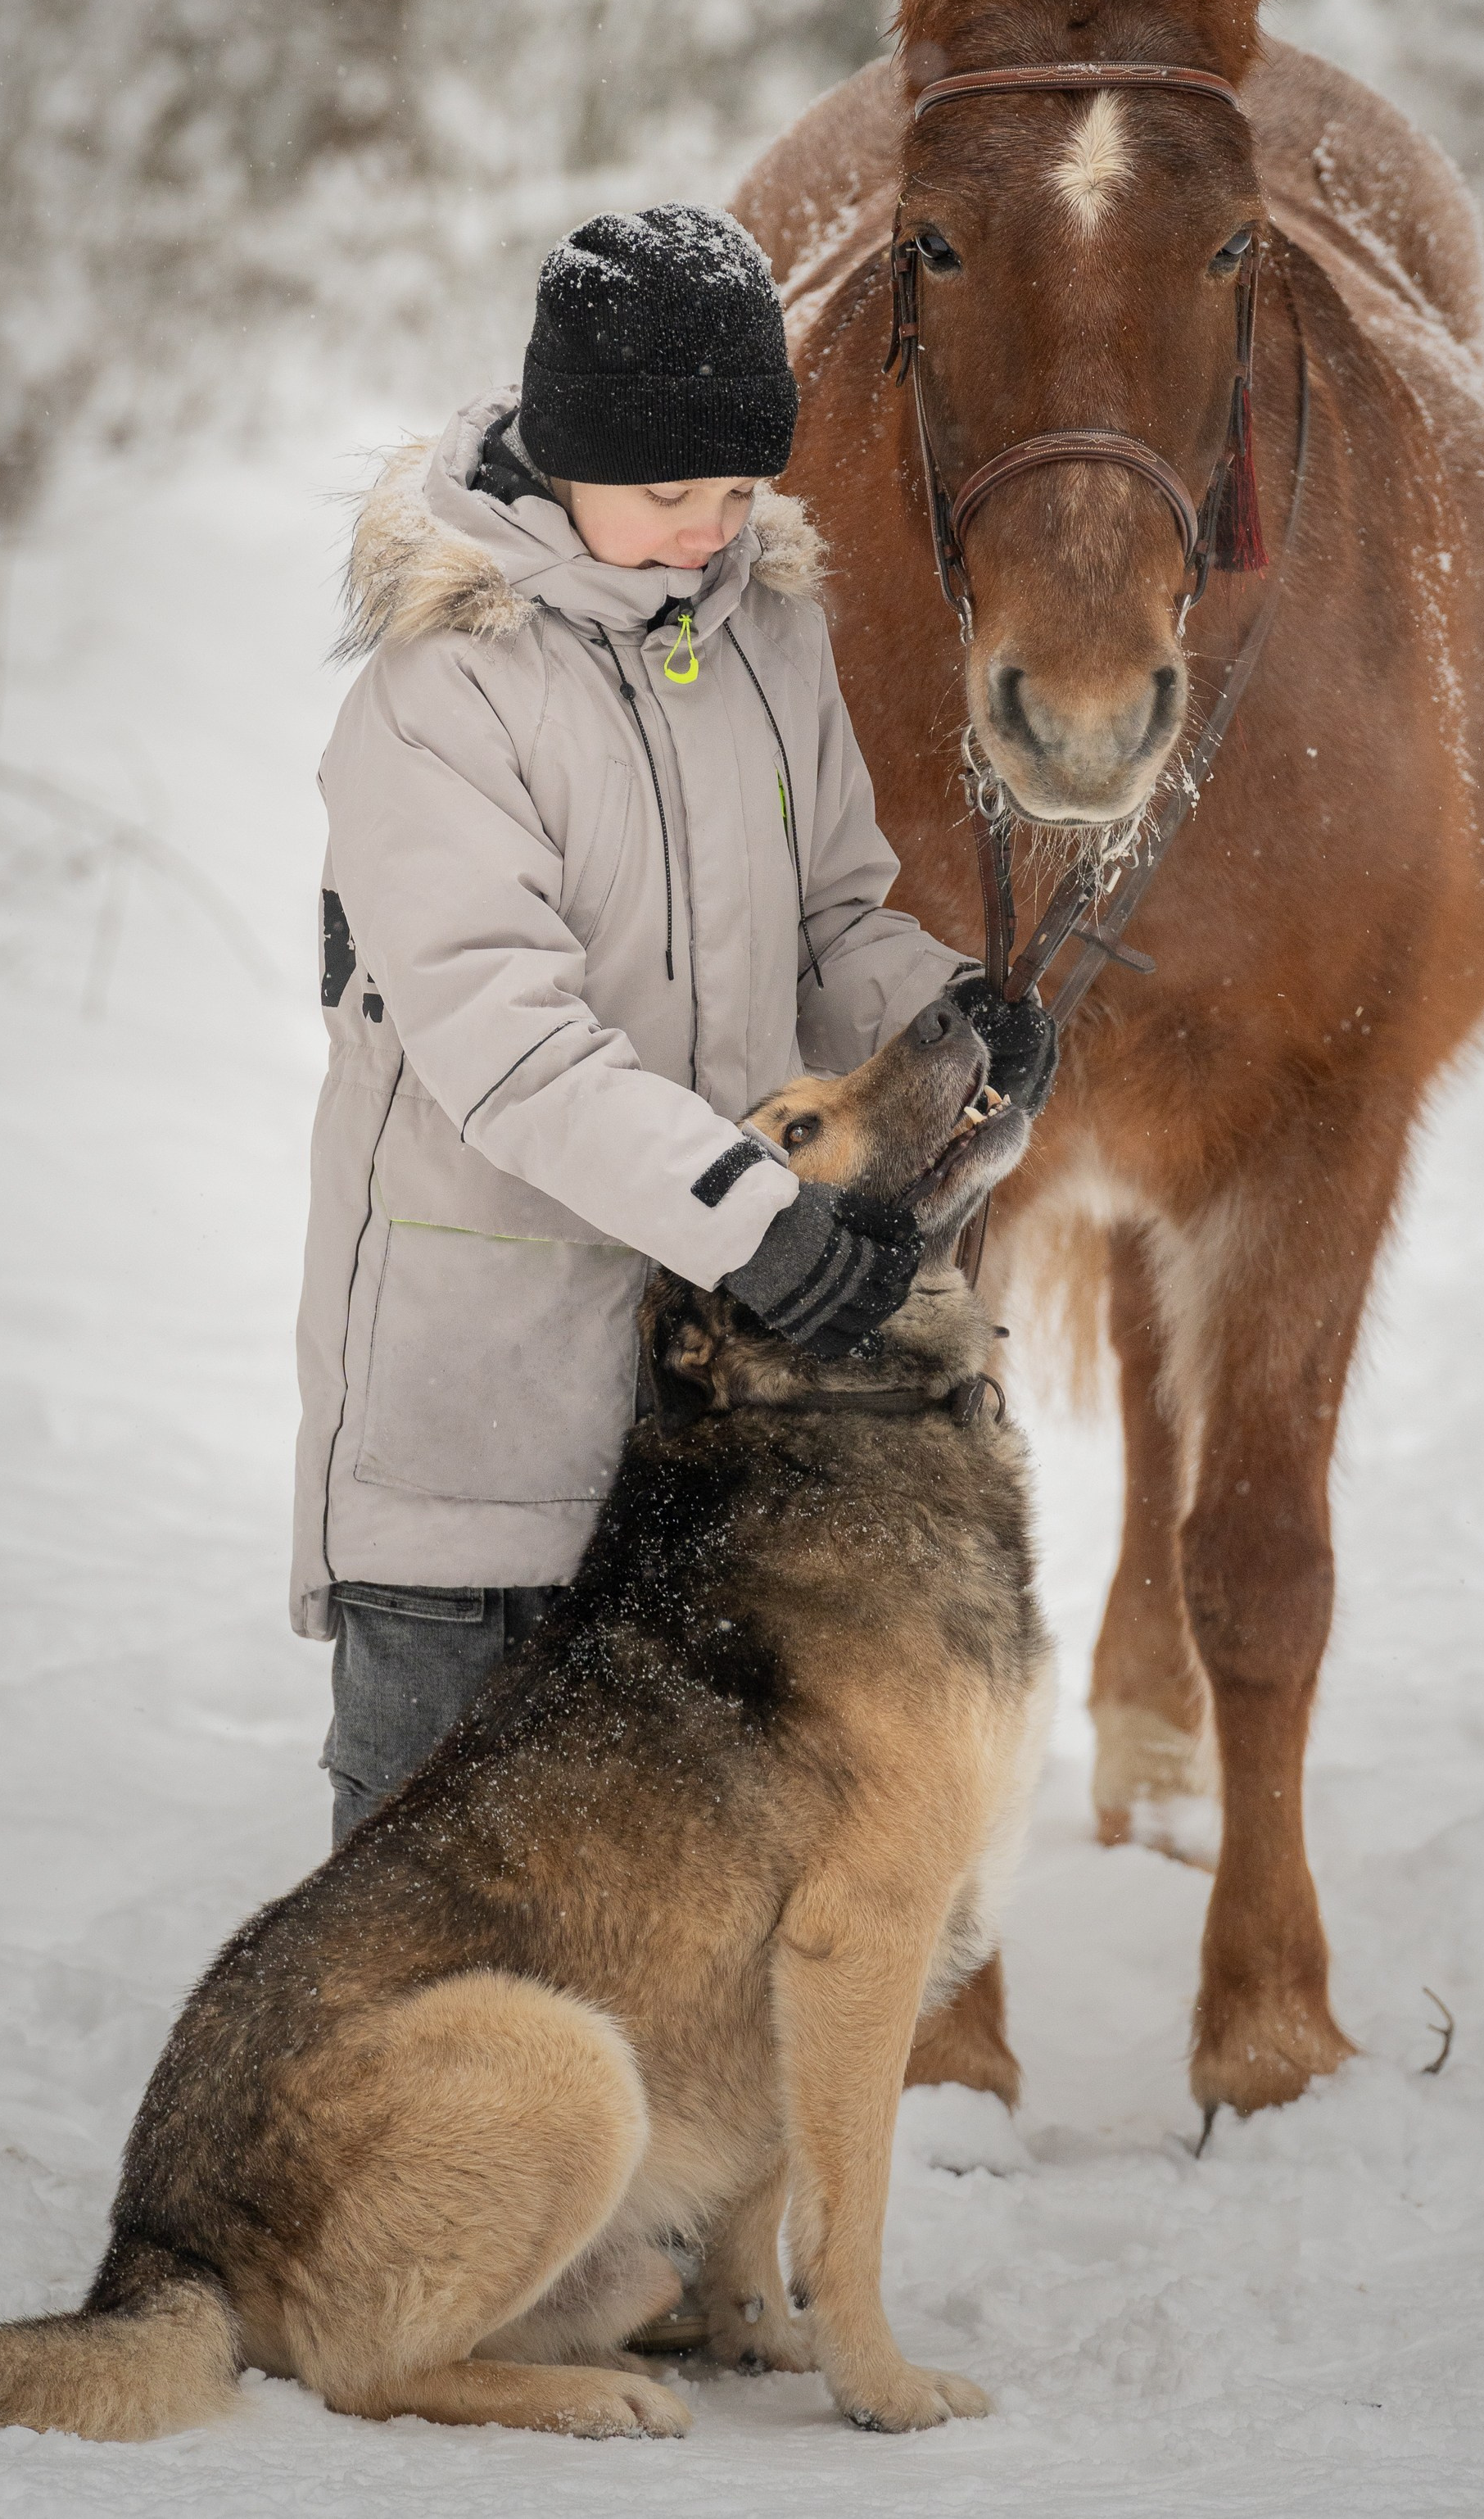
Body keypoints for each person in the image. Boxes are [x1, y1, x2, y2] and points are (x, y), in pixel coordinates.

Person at [293, 202, 1053, 1846]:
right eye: (665, 495)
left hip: (702, 1407)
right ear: (569, 452)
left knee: (665, 1888)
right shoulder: (444, 694)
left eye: (739, 489)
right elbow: (512, 1049)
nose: (709, 531)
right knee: (434, 1882)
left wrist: (944, 1022)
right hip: (479, 1400)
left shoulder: (766, 631)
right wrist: (757, 1224)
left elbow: (831, 913)